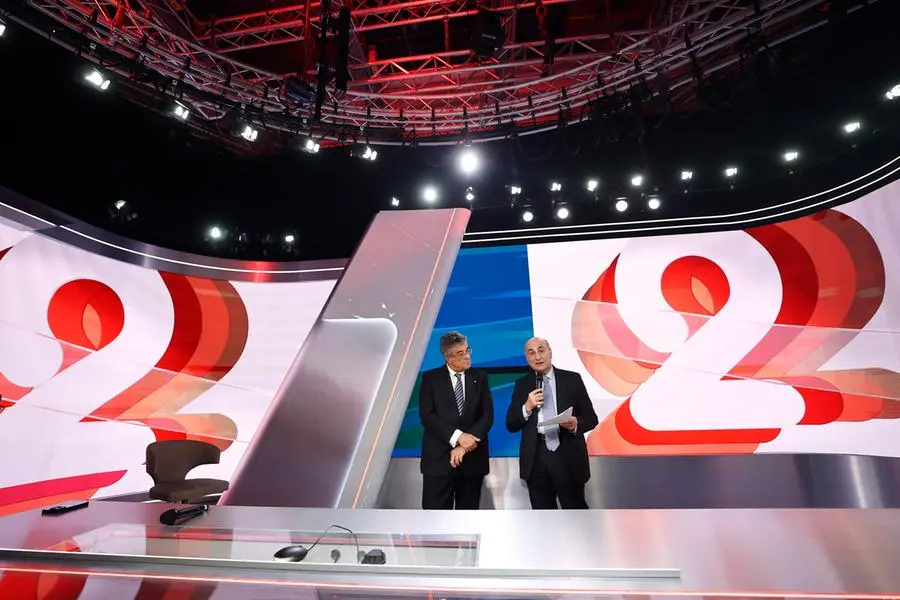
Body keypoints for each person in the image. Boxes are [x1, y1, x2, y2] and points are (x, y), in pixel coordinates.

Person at [506, 337, 599, 509]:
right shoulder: (522, 384)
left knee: (575, 514)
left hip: (567, 456)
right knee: (543, 517)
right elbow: (511, 424)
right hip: (536, 458)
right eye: (531, 353)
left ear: (550, 352)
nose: (537, 357)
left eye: (541, 350)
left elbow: (591, 418)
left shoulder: (572, 379)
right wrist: (527, 407)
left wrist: (575, 424)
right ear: (527, 358)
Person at [418, 331, 494, 510]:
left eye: (467, 350)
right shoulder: (430, 379)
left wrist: (465, 445)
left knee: (468, 518)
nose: (467, 356)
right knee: (435, 519)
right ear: (448, 357)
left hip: (472, 462)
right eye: (460, 353)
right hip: (439, 462)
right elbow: (427, 416)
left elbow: (487, 415)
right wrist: (458, 437)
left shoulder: (480, 378)